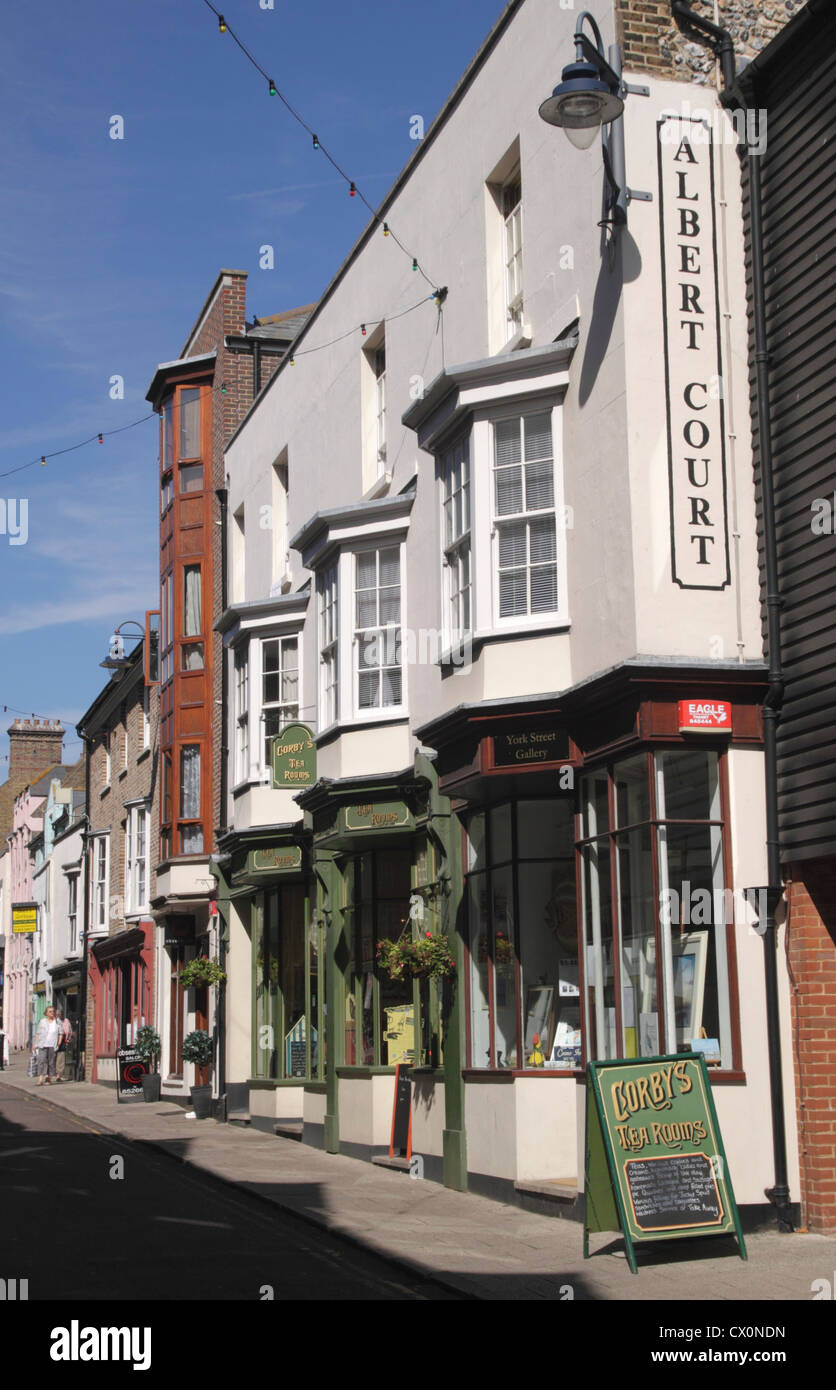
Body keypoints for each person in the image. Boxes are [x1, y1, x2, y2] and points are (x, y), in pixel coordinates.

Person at [33, 1005, 61, 1085]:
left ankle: (49, 1078)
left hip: (52, 1045)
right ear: (46, 1013)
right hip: (42, 1044)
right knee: (41, 1061)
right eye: (50, 1011)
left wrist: (58, 1043)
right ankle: (40, 1079)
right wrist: (34, 1044)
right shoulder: (42, 1021)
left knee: (51, 1062)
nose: (52, 1013)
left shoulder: (57, 1021)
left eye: (53, 1011)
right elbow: (38, 1033)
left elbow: (60, 1033)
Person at [55, 1007, 73, 1082]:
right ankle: (50, 1075)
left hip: (63, 1042)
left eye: (60, 1014)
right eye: (57, 1014)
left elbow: (70, 1030)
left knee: (61, 1058)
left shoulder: (66, 1021)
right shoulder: (54, 1021)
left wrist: (68, 1039)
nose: (59, 1015)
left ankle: (59, 1075)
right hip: (54, 1042)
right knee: (53, 1059)